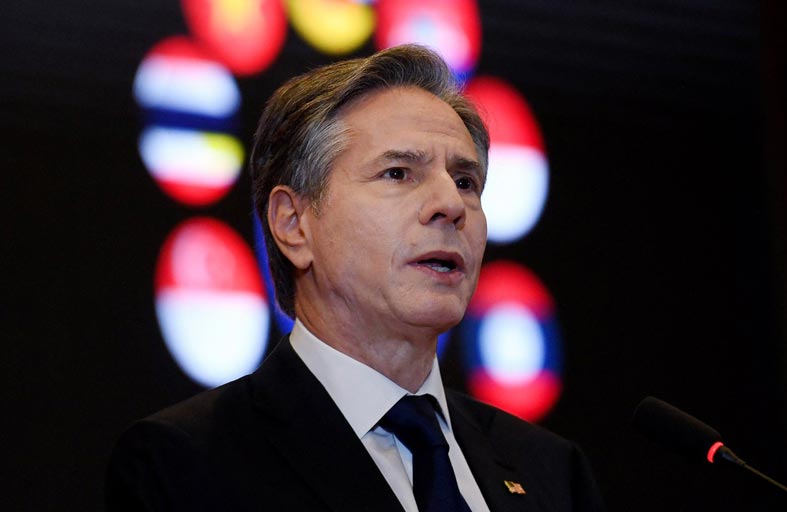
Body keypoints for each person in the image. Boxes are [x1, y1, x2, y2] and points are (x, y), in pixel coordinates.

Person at [106, 44, 605, 512]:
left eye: (465, 181)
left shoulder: (552, 471)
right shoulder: (184, 463)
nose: (451, 205)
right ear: (293, 224)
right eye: (398, 173)